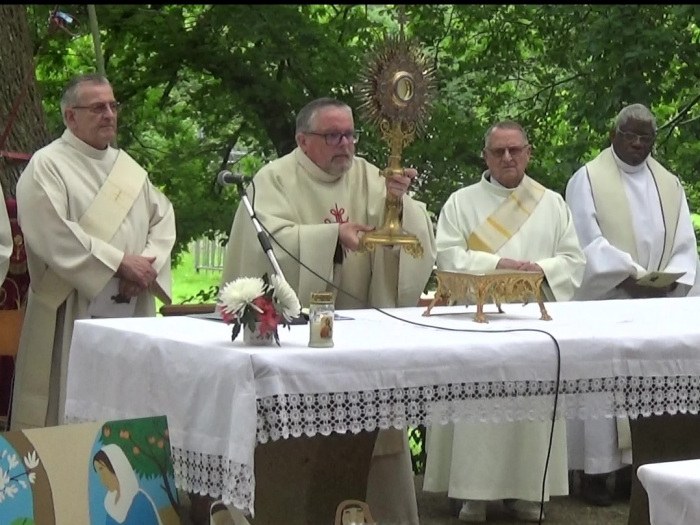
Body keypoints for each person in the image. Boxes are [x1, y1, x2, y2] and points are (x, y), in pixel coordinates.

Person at [220, 97, 436, 525]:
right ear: (303, 140)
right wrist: (333, 236)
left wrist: (401, 203)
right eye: (332, 136)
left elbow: (409, 242)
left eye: (350, 135)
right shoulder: (274, 179)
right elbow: (267, 244)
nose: (345, 145)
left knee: (372, 443)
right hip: (298, 349)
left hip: (361, 341)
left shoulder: (370, 176)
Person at [423, 120, 585, 523]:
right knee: (478, 411)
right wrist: (499, 264)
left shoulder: (551, 203)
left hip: (534, 325)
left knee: (530, 411)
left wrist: (540, 269)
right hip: (477, 323)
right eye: (498, 151)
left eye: (515, 150)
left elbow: (573, 260)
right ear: (486, 156)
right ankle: (472, 495)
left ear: (528, 153)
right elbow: (447, 257)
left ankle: (528, 492)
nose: (508, 157)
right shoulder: (460, 203)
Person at [11, 73, 175, 430]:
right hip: (69, 307)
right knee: (64, 414)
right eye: (98, 108)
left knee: (126, 411)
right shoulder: (47, 165)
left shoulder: (129, 170)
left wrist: (146, 267)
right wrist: (119, 263)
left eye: (113, 106)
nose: (109, 115)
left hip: (132, 306)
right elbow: (52, 232)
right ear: (71, 116)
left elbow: (163, 218)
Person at [564, 103, 699, 506]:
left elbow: (684, 244)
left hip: (656, 304)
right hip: (608, 300)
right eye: (631, 135)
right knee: (601, 388)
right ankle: (595, 473)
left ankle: (634, 473)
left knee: (646, 386)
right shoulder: (587, 179)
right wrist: (628, 276)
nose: (638, 144)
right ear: (614, 135)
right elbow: (584, 241)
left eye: (646, 137)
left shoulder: (669, 184)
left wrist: (667, 281)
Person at [93, 444, 163, 524]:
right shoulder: (111, 505)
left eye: (101, 469)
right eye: (98, 472)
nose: (101, 479)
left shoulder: (140, 500)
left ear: (115, 466)